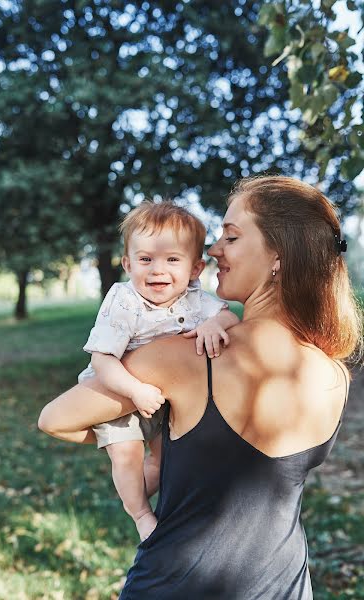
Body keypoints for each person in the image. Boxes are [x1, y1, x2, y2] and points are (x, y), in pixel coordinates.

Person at [39, 176, 362, 599]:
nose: (212, 250)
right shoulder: (333, 372)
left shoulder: (182, 357)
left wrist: (134, 436)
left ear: (278, 253)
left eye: (231, 236)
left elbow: (55, 419)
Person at [66, 201, 239, 541]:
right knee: (128, 454)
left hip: (164, 398)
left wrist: (215, 323)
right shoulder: (124, 300)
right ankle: (141, 515)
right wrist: (134, 391)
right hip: (118, 392)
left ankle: (140, 497)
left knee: (164, 462)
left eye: (172, 259)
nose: (157, 270)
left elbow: (231, 317)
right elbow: (102, 360)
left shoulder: (196, 299)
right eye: (145, 259)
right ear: (128, 264)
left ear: (195, 268)